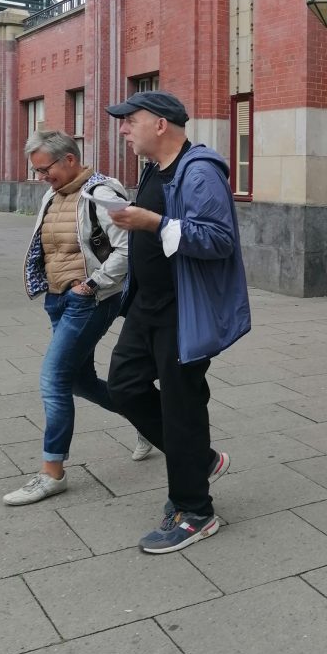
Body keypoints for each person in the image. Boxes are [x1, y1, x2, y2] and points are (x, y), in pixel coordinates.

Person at [105, 90, 251, 554]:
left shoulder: (200, 170)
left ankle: (195, 511)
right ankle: (200, 459)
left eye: (130, 121)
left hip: (182, 310)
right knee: (124, 385)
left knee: (181, 407)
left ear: (161, 124)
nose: (124, 129)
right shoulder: (153, 169)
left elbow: (218, 239)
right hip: (148, 304)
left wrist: (153, 223)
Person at [4, 130, 150, 506]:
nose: (41, 177)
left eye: (44, 169)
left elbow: (128, 246)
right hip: (57, 300)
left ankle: (52, 472)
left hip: (88, 300)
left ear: (69, 159)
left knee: (53, 379)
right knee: (80, 381)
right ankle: (152, 418)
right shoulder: (55, 193)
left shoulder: (101, 193)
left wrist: (93, 284)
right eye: (36, 171)